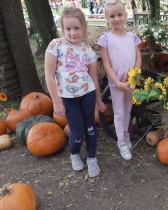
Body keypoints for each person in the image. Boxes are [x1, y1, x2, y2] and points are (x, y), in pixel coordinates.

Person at [45, 7, 106, 178]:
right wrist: (56, 102)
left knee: (91, 128)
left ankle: (92, 157)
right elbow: (49, 75)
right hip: (68, 98)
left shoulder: (88, 51)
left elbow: (94, 79)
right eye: (68, 29)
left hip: (87, 95)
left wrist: (99, 100)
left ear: (84, 28)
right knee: (77, 132)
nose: (72, 33)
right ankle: (74, 153)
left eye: (76, 28)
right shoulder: (56, 46)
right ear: (62, 29)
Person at [97, 0, 142, 160]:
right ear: (107, 19)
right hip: (117, 83)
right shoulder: (106, 39)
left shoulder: (132, 37)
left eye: (119, 14)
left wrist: (133, 76)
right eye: (112, 16)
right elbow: (107, 64)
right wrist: (117, 82)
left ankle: (126, 133)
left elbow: (138, 59)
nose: (116, 19)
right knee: (119, 112)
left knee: (128, 108)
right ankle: (121, 142)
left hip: (130, 81)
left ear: (126, 15)